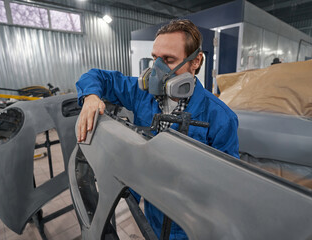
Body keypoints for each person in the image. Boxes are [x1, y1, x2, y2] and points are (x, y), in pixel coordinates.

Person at [76, 19, 239, 239]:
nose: (157, 70)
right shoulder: (142, 94)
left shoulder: (221, 117)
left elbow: (228, 187)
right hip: (152, 212)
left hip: (191, 224)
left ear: (196, 61)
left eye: (169, 60)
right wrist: (91, 97)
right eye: (155, 59)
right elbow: (96, 76)